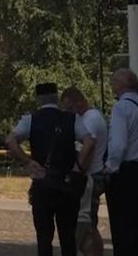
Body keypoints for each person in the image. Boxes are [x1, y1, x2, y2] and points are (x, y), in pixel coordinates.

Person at [6, 82, 95, 256]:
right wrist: (78, 167)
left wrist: (27, 161)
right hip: (67, 184)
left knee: (44, 237)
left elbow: (10, 141)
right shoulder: (72, 119)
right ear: (57, 98)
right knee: (68, 237)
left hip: (42, 182)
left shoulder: (30, 119)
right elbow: (90, 141)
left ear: (38, 99)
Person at [59, 87, 107, 256]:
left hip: (89, 175)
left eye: (69, 108)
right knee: (90, 225)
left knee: (84, 224)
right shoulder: (90, 116)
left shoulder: (89, 119)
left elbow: (87, 147)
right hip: (93, 173)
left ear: (79, 103)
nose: (68, 113)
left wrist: (76, 171)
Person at [104, 68, 138, 255]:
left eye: (113, 83)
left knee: (123, 227)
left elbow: (118, 144)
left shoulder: (121, 108)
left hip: (127, 173)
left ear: (120, 85)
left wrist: (111, 168)